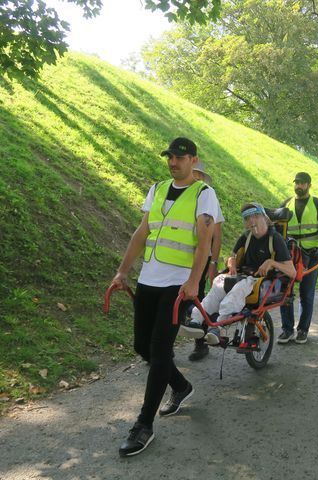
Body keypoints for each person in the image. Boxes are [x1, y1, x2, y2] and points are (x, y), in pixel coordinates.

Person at [110, 137, 224, 456]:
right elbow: (142, 232)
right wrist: (122, 271)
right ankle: (181, 386)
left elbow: (204, 243)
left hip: (178, 285)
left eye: (180, 157)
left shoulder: (204, 194)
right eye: (170, 157)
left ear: (193, 160)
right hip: (149, 279)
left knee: (160, 349)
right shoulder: (157, 189)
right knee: (141, 346)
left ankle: (143, 426)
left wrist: (193, 281)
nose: (173, 162)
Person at [180, 203, 296, 346]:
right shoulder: (246, 237)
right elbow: (232, 256)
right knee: (218, 283)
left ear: (265, 218)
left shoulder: (275, 239)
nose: (251, 221)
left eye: (255, 216)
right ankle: (196, 321)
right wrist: (232, 262)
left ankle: (219, 327)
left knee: (238, 289)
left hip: (262, 281)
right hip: (242, 276)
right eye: (247, 218)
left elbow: (292, 272)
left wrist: (271, 262)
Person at [278, 172, 318, 344]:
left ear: (309, 185)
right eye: (296, 183)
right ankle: (287, 330)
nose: (298, 186)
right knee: (285, 293)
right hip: (289, 257)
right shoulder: (286, 204)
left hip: (312, 256)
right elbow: (278, 232)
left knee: (306, 295)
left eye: (302, 183)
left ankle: (302, 330)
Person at [188, 160, 224, 362]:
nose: (196, 177)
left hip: (202, 259)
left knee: (198, 298)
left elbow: (217, 237)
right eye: (194, 174)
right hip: (178, 258)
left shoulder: (210, 198)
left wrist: (213, 264)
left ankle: (200, 344)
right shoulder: (183, 196)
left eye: (199, 175)